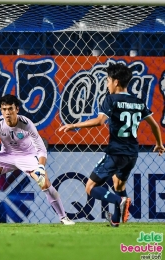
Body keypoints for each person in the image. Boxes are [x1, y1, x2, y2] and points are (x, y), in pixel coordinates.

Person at [58, 63, 164, 227]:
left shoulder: (111, 99)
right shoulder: (138, 101)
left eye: (108, 80)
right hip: (132, 154)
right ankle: (116, 220)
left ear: (115, 82)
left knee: (90, 187)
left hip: (115, 153)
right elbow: (155, 125)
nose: (107, 84)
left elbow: (100, 121)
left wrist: (74, 125)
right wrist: (159, 144)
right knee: (118, 183)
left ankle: (120, 201)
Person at [0, 94, 75, 225]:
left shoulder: (26, 124)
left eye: (10, 109)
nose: (7, 113)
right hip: (6, 156)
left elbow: (41, 149)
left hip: (28, 156)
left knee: (45, 183)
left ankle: (63, 217)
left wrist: (41, 167)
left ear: (17, 109)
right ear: (1, 110)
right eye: (4, 109)